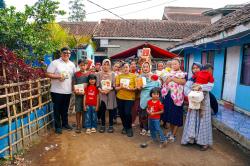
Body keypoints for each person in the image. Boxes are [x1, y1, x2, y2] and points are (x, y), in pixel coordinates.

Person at [181, 62, 214, 151]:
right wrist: (192, 93)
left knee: (203, 121)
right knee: (192, 120)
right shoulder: (191, 79)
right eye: (193, 68)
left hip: (204, 103)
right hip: (193, 102)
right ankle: (191, 139)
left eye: (197, 68)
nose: (195, 69)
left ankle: (204, 143)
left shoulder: (207, 77)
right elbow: (186, 89)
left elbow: (210, 86)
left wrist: (200, 86)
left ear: (201, 69)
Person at [46, 47, 76, 134]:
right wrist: (58, 76)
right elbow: (48, 74)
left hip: (68, 91)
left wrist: (73, 87)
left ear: (70, 54)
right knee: (57, 109)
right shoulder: (55, 63)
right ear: (61, 53)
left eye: (68, 53)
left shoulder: (72, 64)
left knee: (65, 109)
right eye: (64, 52)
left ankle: (65, 124)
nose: (66, 54)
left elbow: (74, 77)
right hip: (56, 91)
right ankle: (58, 127)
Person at [161, 58, 186, 142]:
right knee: (170, 115)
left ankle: (174, 135)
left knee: (176, 116)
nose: (173, 65)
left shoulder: (182, 73)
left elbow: (183, 82)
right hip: (169, 97)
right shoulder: (168, 73)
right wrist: (171, 78)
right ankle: (171, 132)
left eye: (175, 64)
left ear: (179, 64)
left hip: (178, 98)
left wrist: (172, 79)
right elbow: (166, 81)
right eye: (172, 64)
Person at [138, 62, 161, 136]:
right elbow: (138, 87)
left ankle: (151, 129)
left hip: (152, 98)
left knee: (151, 115)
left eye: (147, 67)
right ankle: (145, 128)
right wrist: (140, 87)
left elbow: (159, 85)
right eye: (144, 67)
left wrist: (152, 78)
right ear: (142, 68)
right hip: (144, 98)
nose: (145, 68)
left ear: (149, 68)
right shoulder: (140, 77)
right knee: (143, 115)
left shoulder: (154, 76)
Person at [115, 62, 137, 137]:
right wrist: (120, 87)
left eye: (127, 67)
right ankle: (124, 126)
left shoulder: (134, 76)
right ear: (121, 69)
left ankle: (129, 128)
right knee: (121, 113)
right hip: (120, 97)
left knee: (127, 113)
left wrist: (131, 88)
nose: (125, 69)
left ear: (129, 68)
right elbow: (116, 88)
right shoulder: (119, 76)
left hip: (130, 98)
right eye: (124, 67)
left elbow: (136, 88)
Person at [96, 59, 117, 133]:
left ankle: (111, 125)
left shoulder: (113, 74)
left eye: (107, 64)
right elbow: (97, 84)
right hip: (102, 94)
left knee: (111, 110)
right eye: (104, 64)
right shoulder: (98, 74)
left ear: (110, 65)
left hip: (111, 94)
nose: (106, 66)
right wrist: (101, 90)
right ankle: (103, 125)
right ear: (102, 65)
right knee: (102, 110)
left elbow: (114, 85)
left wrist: (109, 89)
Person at [73, 59, 90, 133]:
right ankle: (78, 125)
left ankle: (84, 124)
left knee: (85, 109)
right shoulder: (76, 74)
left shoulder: (89, 74)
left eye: (85, 65)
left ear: (87, 66)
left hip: (87, 95)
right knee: (78, 110)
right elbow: (74, 84)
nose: (83, 67)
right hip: (78, 95)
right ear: (79, 65)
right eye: (81, 65)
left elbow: (91, 84)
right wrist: (75, 91)